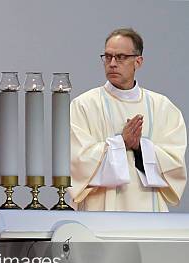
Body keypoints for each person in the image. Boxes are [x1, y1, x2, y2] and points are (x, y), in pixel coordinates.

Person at [69, 28, 187, 211]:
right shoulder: (84, 105)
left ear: (138, 62)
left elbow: (174, 163)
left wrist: (140, 147)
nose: (113, 63)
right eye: (108, 57)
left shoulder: (162, 107)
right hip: (99, 212)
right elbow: (78, 161)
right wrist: (120, 143)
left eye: (121, 57)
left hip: (149, 210)